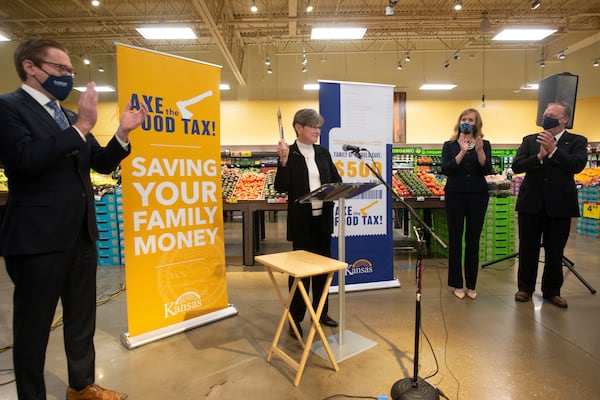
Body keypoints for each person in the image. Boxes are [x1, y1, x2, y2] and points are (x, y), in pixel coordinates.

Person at [0, 38, 148, 400]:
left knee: (81, 320)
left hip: (82, 235)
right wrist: (81, 126)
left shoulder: (65, 116)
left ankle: (81, 386)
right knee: (33, 328)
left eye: (71, 71)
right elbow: (24, 159)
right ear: (30, 67)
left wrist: (122, 133)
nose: (68, 76)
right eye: (60, 69)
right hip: (37, 240)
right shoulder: (8, 108)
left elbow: (97, 162)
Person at [274, 109, 342, 339]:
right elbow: (281, 188)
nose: (317, 131)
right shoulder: (289, 154)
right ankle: (295, 319)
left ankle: (321, 312)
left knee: (323, 269)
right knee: (300, 273)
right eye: (313, 126)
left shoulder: (323, 153)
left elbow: (336, 179)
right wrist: (282, 161)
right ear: (298, 127)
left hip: (322, 220)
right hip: (302, 222)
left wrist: (332, 189)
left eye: (319, 127)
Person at [512, 102, 587, 308]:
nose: (547, 118)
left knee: (555, 251)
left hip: (560, 205)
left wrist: (553, 151)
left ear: (565, 119)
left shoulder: (577, 141)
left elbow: (576, 165)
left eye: (552, 115)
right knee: (528, 249)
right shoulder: (530, 140)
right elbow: (517, 165)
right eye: (545, 114)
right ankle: (525, 288)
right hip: (531, 204)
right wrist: (538, 157)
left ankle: (552, 291)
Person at [441, 108, 492, 300]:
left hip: (478, 196)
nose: (467, 122)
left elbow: (486, 169)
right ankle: (456, 283)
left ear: (476, 123)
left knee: (473, 240)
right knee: (455, 239)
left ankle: (472, 283)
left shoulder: (484, 144)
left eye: (471, 119)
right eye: (464, 119)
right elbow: (446, 169)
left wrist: (479, 151)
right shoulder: (450, 145)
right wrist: (462, 152)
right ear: (459, 121)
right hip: (455, 195)